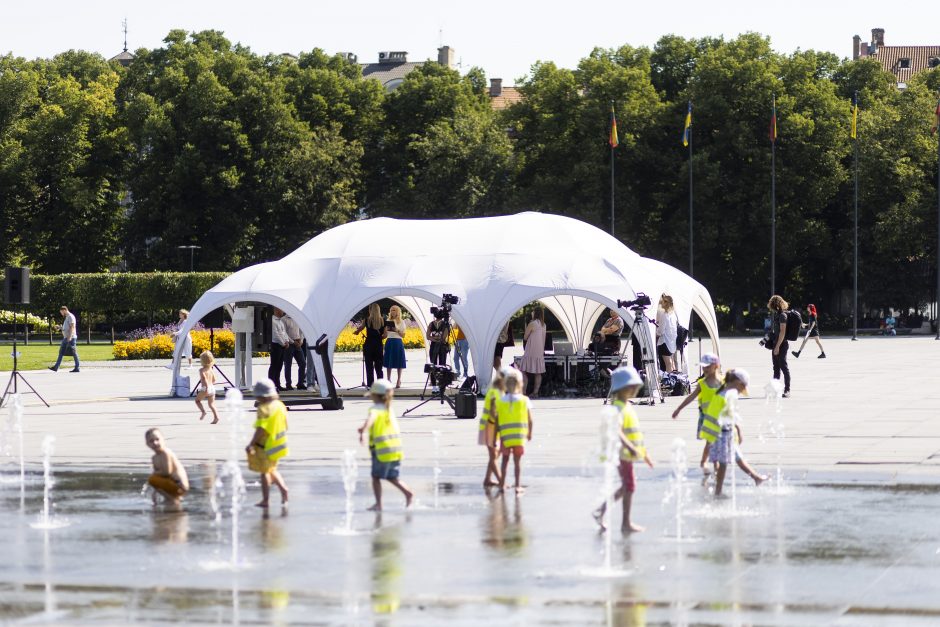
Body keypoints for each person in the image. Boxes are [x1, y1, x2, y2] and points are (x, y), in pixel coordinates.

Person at [592, 366, 654, 533]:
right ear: (622, 388)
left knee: (627, 486)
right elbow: (617, 430)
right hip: (622, 454)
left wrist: (644, 453)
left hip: (627, 453)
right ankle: (625, 523)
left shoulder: (626, 405)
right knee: (629, 486)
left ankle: (601, 511)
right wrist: (630, 447)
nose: (635, 389)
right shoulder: (618, 407)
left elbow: (635, 433)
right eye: (632, 386)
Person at [703, 369, 767, 496]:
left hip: (725, 432)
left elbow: (729, 415)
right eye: (742, 387)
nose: (741, 390)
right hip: (721, 434)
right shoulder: (724, 395)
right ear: (737, 382)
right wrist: (737, 430)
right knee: (723, 463)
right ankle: (718, 491)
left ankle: (756, 478)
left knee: (738, 457)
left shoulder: (725, 392)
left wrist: (736, 430)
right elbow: (722, 415)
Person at [358, 379, 414, 510]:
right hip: (395, 449)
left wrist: (363, 430)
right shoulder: (389, 409)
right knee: (392, 476)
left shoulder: (375, 409)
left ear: (375, 395)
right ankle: (408, 493)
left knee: (376, 476)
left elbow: (371, 419)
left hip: (381, 450)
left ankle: (378, 504)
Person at [671, 352, 723, 480]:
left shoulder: (722, 382)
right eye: (703, 367)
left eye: (707, 366)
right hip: (706, 417)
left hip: (720, 418)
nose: (704, 369)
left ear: (716, 366)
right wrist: (679, 408)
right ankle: (711, 464)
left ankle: (706, 462)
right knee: (711, 442)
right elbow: (691, 397)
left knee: (714, 442)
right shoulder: (702, 383)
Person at [245, 378, 289, 508]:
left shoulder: (264, 409)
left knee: (264, 473)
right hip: (279, 443)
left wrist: (251, 444)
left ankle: (266, 500)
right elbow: (286, 426)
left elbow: (261, 429)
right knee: (272, 469)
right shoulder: (280, 405)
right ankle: (284, 490)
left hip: (265, 445)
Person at [495, 368, 533, 495]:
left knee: (505, 461)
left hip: (505, 437)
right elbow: (530, 420)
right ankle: (517, 485)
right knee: (517, 462)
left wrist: (496, 436)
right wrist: (529, 433)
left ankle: (502, 484)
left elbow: (496, 420)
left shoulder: (500, 401)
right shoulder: (524, 400)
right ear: (520, 384)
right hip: (518, 437)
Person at [145, 428, 189, 510]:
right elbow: (159, 478)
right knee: (154, 480)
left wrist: (153, 476)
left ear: (163, 440)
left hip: (179, 485)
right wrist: (154, 494)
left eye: (157, 439)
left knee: (153, 479)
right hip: (170, 483)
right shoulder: (154, 458)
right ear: (147, 444)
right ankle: (171, 500)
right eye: (151, 441)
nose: (155, 443)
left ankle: (174, 500)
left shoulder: (166, 453)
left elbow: (167, 472)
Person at [479, 368, 506, 489]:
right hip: (490, 427)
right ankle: (501, 481)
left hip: (491, 426)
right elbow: (494, 413)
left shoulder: (497, 392)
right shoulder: (496, 394)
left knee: (494, 455)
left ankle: (487, 479)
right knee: (494, 456)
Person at [355, 303, 386, 387]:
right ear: (378, 310)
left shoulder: (366, 320)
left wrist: (356, 332)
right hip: (378, 346)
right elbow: (385, 335)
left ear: (370, 310)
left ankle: (370, 385)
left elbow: (359, 329)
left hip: (368, 345)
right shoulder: (383, 320)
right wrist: (379, 337)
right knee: (379, 366)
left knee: (369, 366)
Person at [767, 295, 791, 398]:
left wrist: (777, 347)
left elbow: (782, 332)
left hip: (782, 344)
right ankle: (775, 389)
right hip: (776, 343)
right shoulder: (777, 315)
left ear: (774, 304)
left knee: (783, 367)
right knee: (776, 368)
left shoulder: (782, 316)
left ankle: (787, 390)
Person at [520, 308, 546, 398]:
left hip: (531, 350)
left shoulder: (532, 323)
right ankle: (535, 392)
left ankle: (523, 392)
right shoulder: (543, 325)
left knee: (523, 371)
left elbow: (525, 336)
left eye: (533, 311)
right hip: (539, 350)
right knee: (538, 373)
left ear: (535, 313)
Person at [49, 305, 80, 373]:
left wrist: (70, 336)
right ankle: (56, 367)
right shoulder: (67, 317)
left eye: (62, 312)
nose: (61, 314)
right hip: (66, 337)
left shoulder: (71, 316)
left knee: (74, 353)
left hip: (71, 338)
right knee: (61, 352)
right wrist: (60, 328)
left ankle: (77, 367)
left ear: (65, 310)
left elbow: (72, 327)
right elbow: (66, 328)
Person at [383, 305, 407, 388]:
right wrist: (385, 330)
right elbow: (385, 335)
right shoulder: (388, 320)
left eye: (393, 310)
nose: (392, 312)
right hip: (389, 341)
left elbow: (403, 335)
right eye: (391, 310)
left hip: (397, 342)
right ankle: (388, 379)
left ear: (397, 311)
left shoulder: (401, 321)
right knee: (389, 361)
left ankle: (399, 380)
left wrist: (397, 330)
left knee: (399, 361)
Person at [268, 308, 291, 391]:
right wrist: (283, 343)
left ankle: (277, 385)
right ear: (277, 310)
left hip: (282, 346)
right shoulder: (273, 321)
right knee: (274, 366)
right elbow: (275, 335)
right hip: (276, 345)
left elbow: (284, 333)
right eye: (281, 310)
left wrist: (287, 341)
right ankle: (271, 386)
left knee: (279, 366)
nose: (283, 311)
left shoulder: (280, 321)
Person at [281, 314, 306, 390]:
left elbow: (302, 330)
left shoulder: (297, 317)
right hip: (289, 344)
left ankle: (300, 383)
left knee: (303, 363)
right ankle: (288, 384)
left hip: (298, 343)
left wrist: (301, 341)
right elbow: (284, 333)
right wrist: (292, 342)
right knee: (288, 364)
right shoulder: (283, 319)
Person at [195, 350, 220, 424]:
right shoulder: (211, 369)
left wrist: (205, 388)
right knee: (211, 404)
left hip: (205, 388)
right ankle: (216, 417)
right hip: (212, 388)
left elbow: (204, 379)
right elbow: (214, 379)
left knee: (197, 401)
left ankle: (203, 412)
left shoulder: (201, 370)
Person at [655, 295, 678, 373]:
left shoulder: (665, 315)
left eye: (664, 301)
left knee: (668, 363)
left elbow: (661, 331)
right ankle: (673, 379)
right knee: (671, 362)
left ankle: (670, 380)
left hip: (664, 342)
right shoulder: (673, 314)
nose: (661, 303)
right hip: (671, 341)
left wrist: (655, 335)